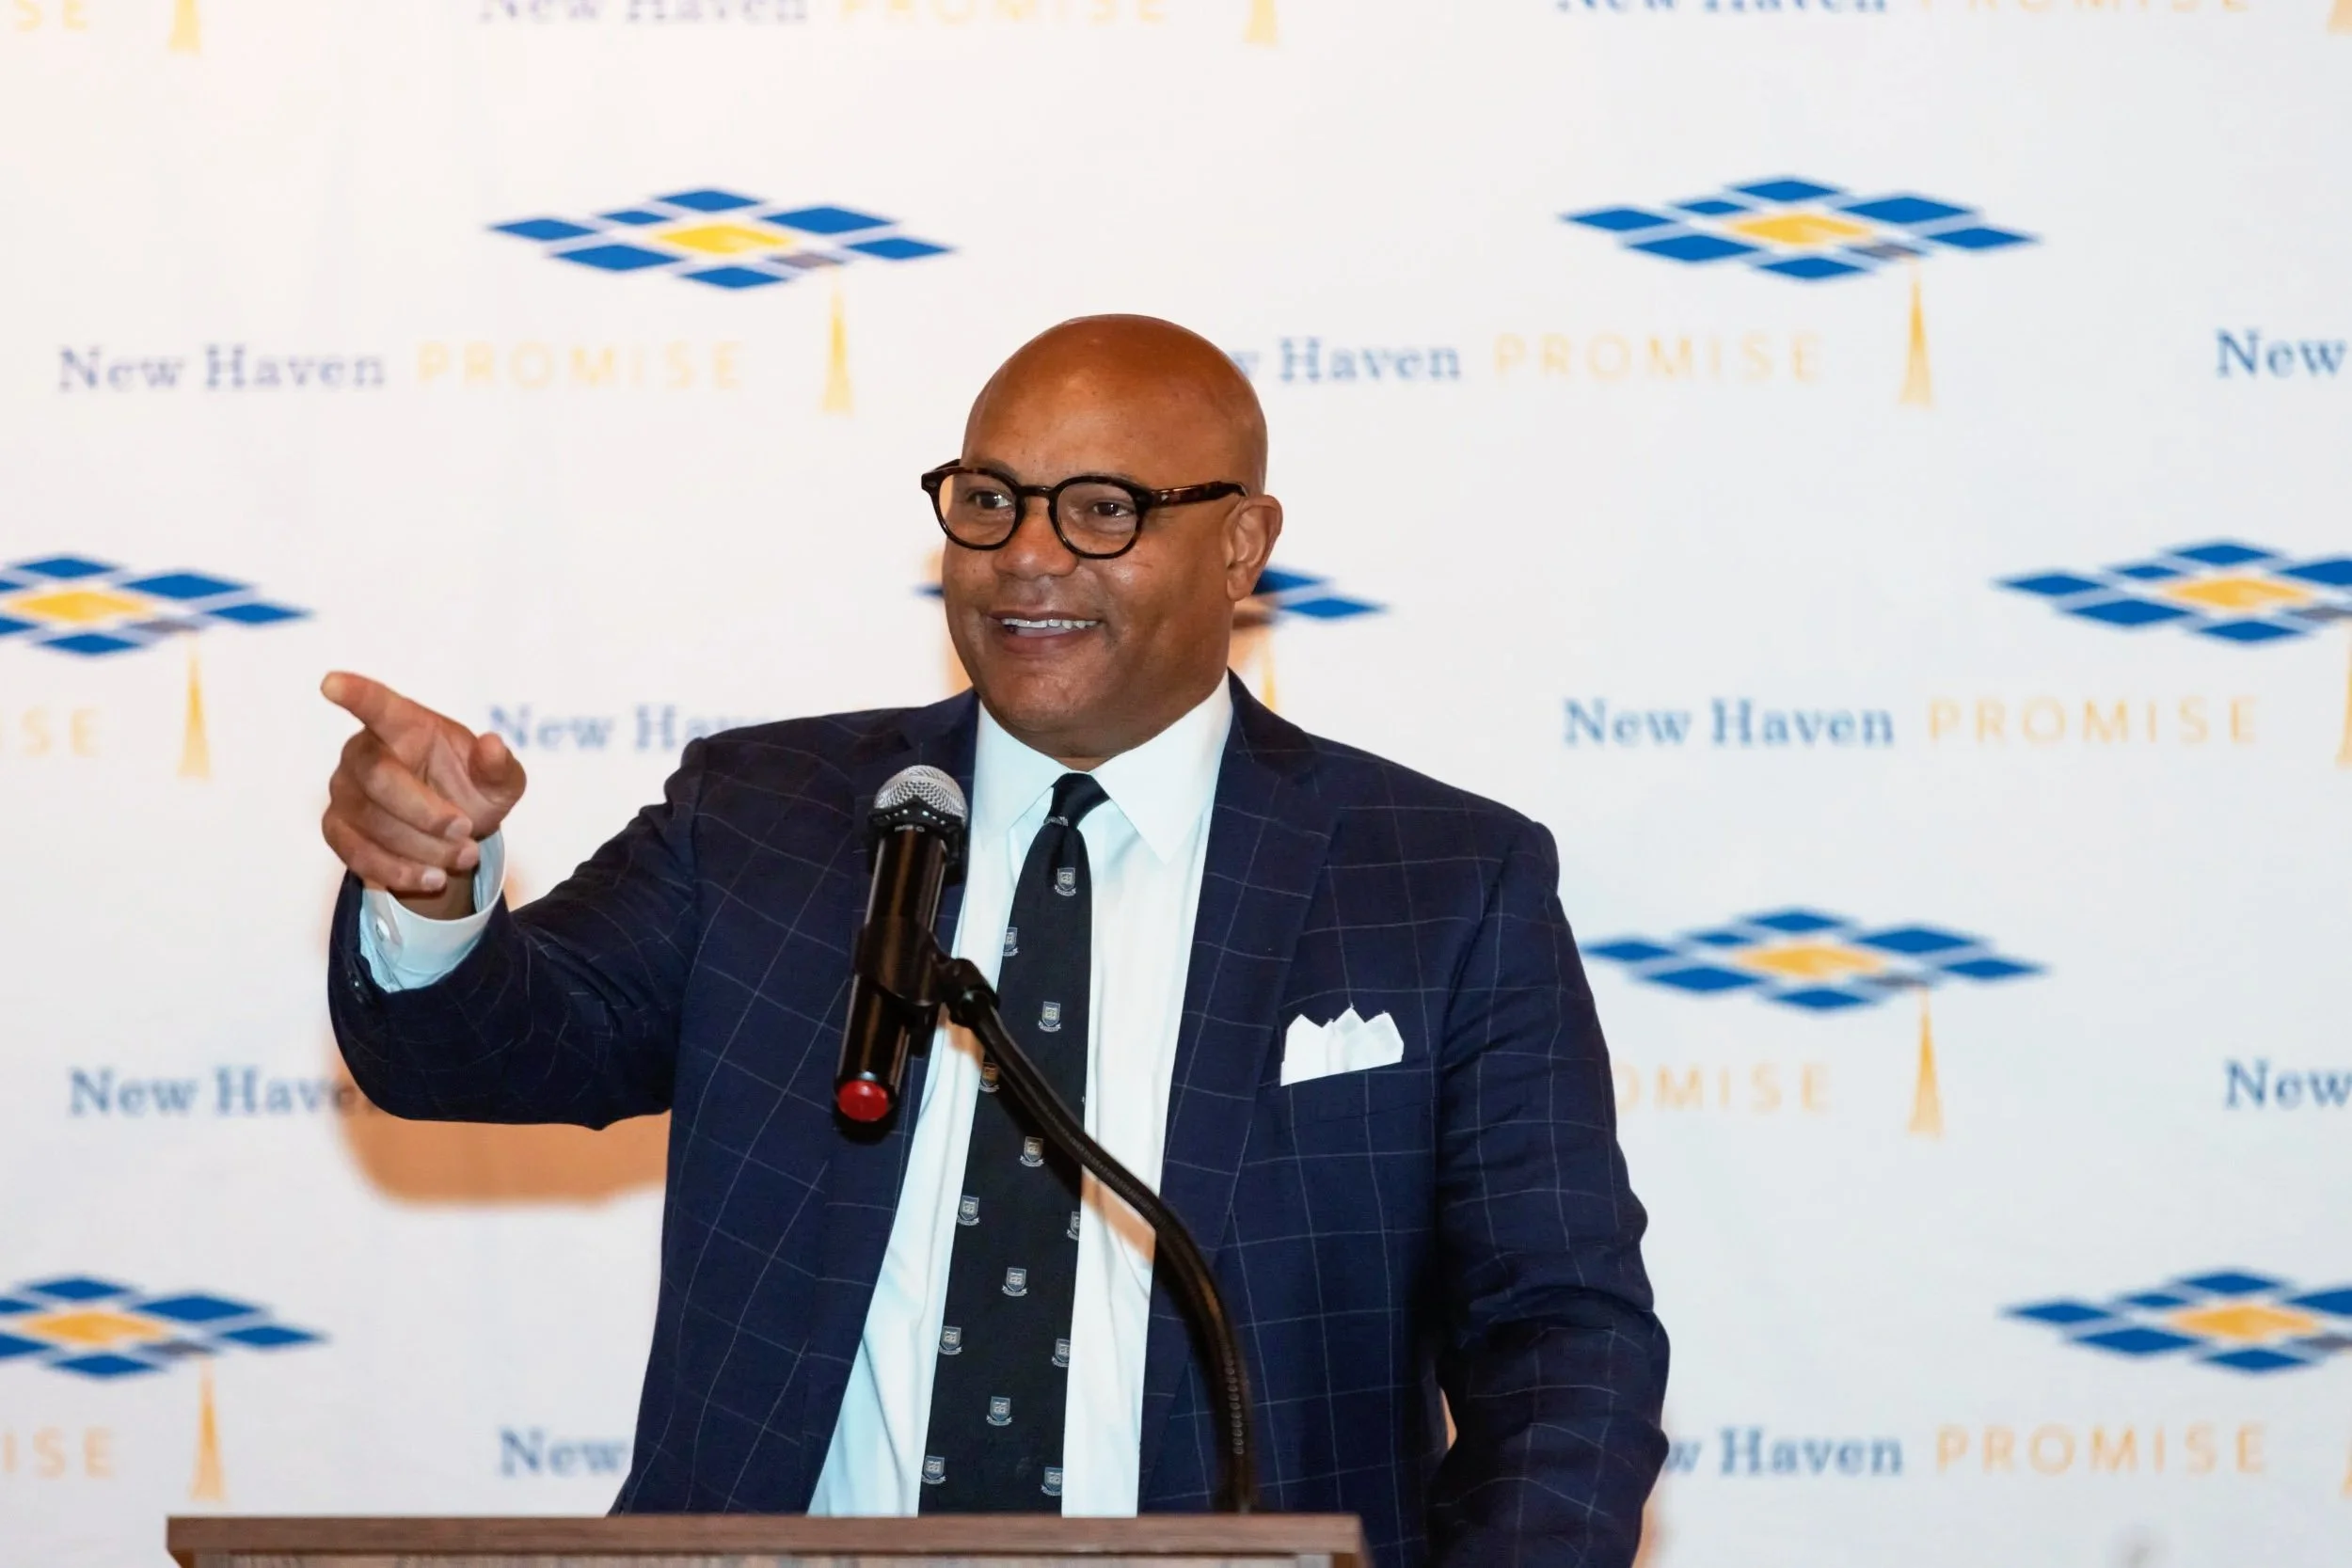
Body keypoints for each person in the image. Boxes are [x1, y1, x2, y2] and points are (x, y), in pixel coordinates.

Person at [321, 315, 1667, 1565]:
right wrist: (436, 891)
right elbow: (490, 1048)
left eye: (1102, 510)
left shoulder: (1437, 880)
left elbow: (1559, 1334)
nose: (1027, 553)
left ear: (1243, 545)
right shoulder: (766, 821)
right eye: (988, 500)